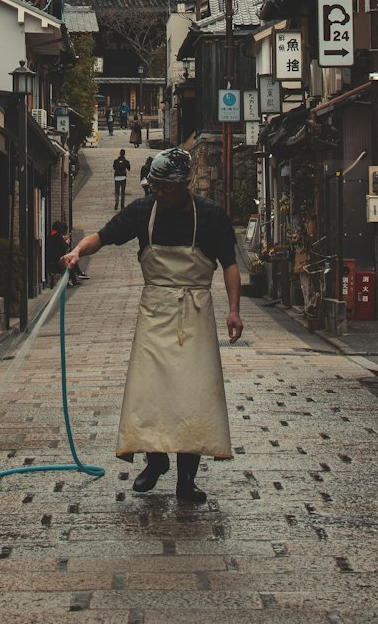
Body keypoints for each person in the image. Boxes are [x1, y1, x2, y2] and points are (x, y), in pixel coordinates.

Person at [62, 147, 243, 504]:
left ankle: (186, 480)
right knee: (150, 393)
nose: (157, 192)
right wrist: (77, 252)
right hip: (155, 311)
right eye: (154, 185)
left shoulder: (210, 215)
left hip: (195, 311)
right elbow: (104, 235)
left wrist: (234, 310)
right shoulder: (143, 210)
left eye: (164, 187)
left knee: (193, 398)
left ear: (185, 183)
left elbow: (230, 264)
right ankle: (154, 461)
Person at [48, 219, 87, 286]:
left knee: (71, 258)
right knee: (71, 260)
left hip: (53, 259)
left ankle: (78, 274)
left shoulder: (52, 235)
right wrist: (66, 242)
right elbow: (65, 247)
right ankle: (76, 277)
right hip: (56, 260)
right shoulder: (57, 236)